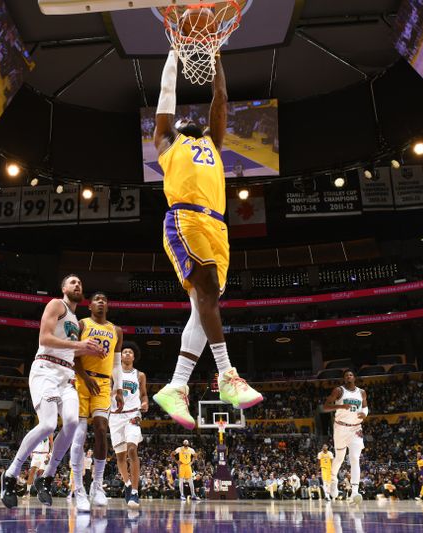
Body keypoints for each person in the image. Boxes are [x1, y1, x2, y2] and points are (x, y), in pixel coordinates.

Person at [151, 49, 262, 429]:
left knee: (204, 306)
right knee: (209, 291)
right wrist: (172, 55)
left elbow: (221, 98)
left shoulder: (214, 143)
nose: (193, 120)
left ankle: (177, 386)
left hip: (217, 227)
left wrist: (215, 58)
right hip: (186, 218)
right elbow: (166, 94)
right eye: (187, 120)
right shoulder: (167, 142)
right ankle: (227, 375)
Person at [1, 274, 104, 509]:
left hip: (66, 375)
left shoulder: (76, 320)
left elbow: (68, 351)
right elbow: (45, 338)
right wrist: (80, 345)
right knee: (48, 425)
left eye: (80, 282)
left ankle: (47, 477)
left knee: (71, 424)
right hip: (46, 369)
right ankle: (11, 473)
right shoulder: (56, 305)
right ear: (64, 288)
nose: (78, 285)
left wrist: (87, 350)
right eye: (73, 282)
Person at [68, 292, 125, 511]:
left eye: (105, 299)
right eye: (97, 299)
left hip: (103, 385)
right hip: (81, 381)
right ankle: (79, 489)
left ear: (108, 306)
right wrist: (84, 377)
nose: (101, 301)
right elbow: (72, 355)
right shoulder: (81, 324)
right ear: (90, 305)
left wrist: (118, 390)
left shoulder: (116, 331)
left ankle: (97, 485)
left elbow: (117, 364)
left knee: (101, 429)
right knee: (80, 435)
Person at [109, 342, 148, 509]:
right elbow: (106, 392)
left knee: (132, 449)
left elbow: (144, 395)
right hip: (115, 416)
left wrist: (145, 403)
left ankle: (134, 491)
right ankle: (126, 483)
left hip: (133, 414)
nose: (126, 354)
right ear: (121, 356)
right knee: (120, 457)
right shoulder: (112, 373)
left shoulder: (140, 375)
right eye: (124, 352)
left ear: (134, 356)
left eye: (129, 352)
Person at [321, 369, 368, 504]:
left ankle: (355, 492)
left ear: (354, 377)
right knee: (340, 458)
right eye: (346, 375)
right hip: (340, 428)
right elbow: (325, 407)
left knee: (354, 458)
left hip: (356, 429)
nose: (349, 376)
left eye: (351, 374)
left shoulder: (361, 392)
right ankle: (333, 478)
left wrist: (365, 414)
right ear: (344, 379)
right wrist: (341, 406)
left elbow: (365, 407)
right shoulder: (338, 391)